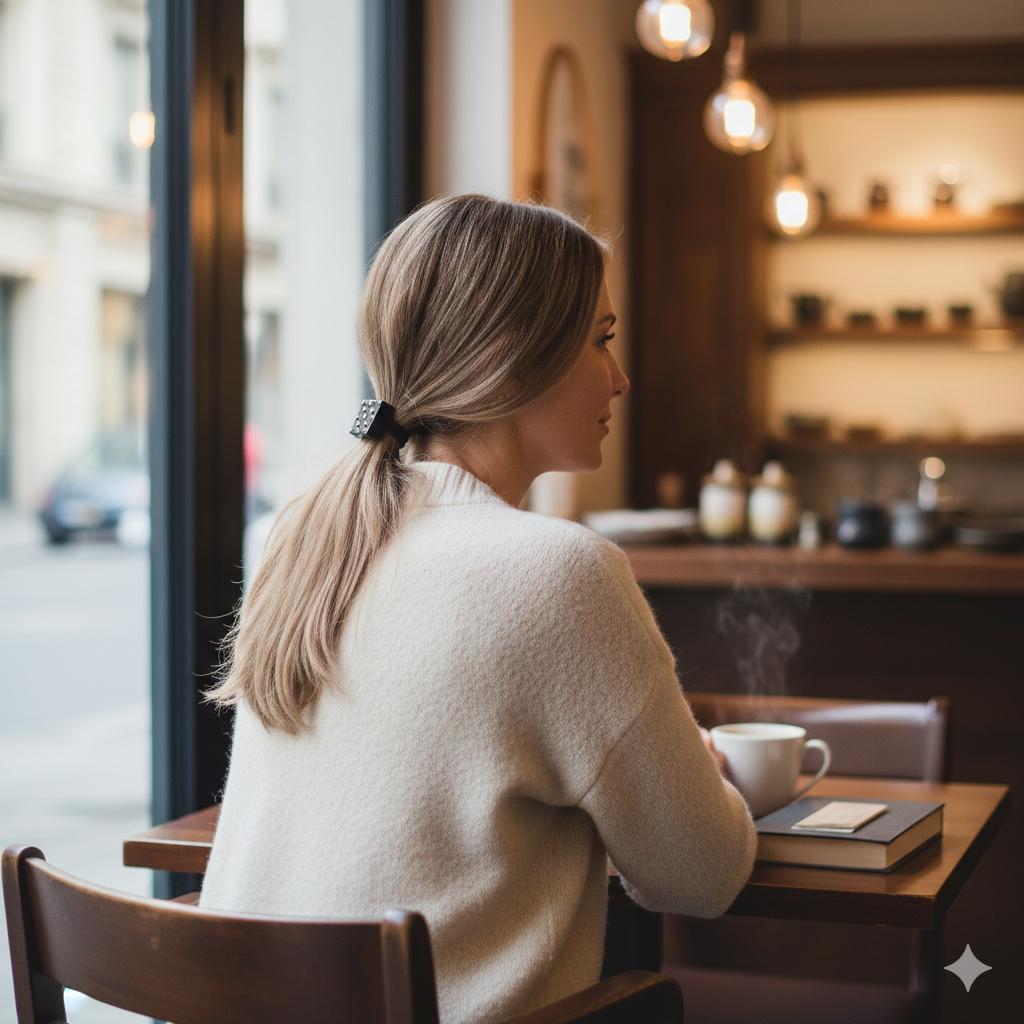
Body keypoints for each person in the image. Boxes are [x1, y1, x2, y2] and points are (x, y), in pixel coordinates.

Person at [200, 194, 755, 1022]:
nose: (621, 376)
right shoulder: (560, 573)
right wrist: (708, 777)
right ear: (511, 359)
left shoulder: (304, 536)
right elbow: (702, 876)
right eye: (601, 341)